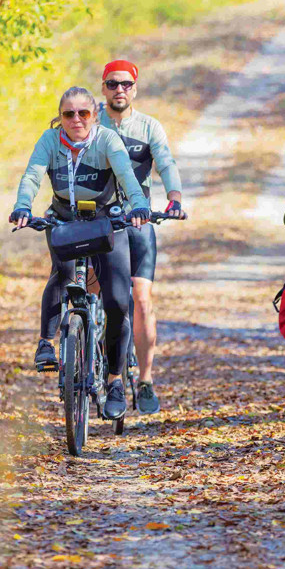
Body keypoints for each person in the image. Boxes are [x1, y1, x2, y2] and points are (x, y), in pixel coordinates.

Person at [9, 86, 149, 421]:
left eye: (83, 113)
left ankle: (115, 381)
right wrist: (23, 205)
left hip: (105, 224)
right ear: (60, 118)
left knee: (117, 301)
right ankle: (47, 343)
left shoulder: (107, 141)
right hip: (64, 222)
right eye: (68, 114)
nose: (76, 120)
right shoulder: (50, 140)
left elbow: (127, 177)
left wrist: (138, 204)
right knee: (63, 274)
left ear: (95, 115)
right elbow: (31, 175)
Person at [98, 59, 185, 415]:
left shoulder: (149, 127)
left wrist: (174, 195)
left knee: (142, 298)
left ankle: (146, 380)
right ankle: (95, 356)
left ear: (135, 88)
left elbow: (165, 162)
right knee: (95, 294)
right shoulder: (90, 122)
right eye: (113, 84)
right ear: (103, 87)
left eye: (127, 84)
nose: (120, 90)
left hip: (138, 221)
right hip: (97, 222)